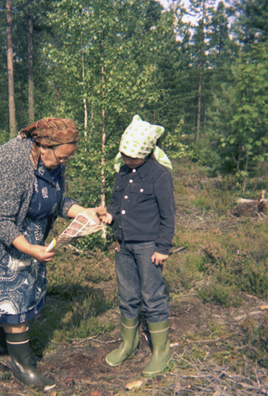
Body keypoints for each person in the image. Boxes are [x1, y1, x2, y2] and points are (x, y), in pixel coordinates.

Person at [0, 117, 101, 391]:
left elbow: (58, 200)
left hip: (27, 235)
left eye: (68, 159)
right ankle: (23, 366)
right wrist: (28, 248)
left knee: (23, 291)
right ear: (43, 146)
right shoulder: (13, 161)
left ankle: (1, 348)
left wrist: (85, 212)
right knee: (13, 299)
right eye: (61, 158)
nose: (64, 164)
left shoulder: (54, 162)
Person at [100, 115, 175, 377]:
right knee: (127, 295)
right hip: (124, 246)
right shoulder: (123, 170)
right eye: (123, 155)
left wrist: (163, 248)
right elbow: (116, 202)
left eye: (130, 156)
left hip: (149, 248)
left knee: (152, 297)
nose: (125, 160)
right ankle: (128, 344)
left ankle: (161, 350)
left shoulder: (159, 175)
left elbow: (168, 216)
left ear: (144, 153)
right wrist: (110, 216)